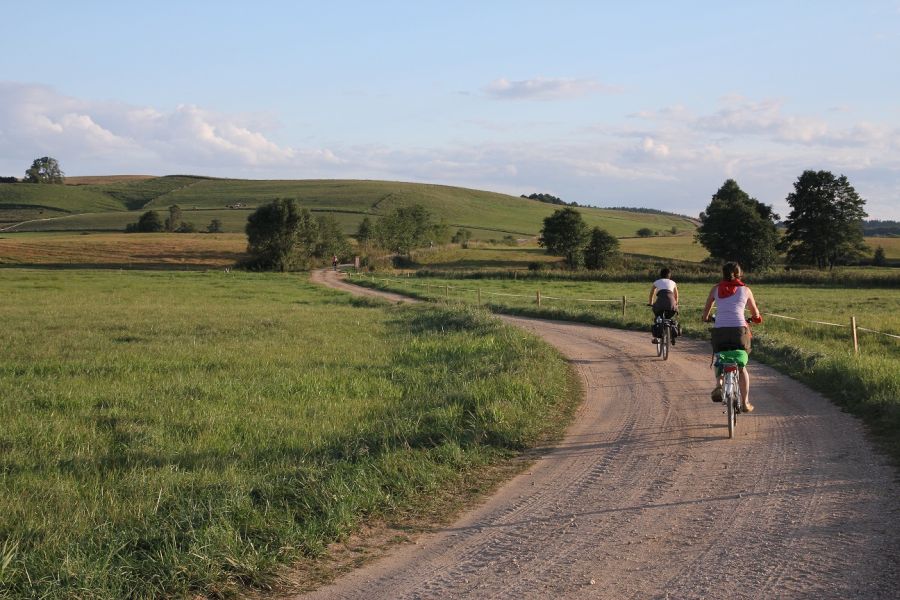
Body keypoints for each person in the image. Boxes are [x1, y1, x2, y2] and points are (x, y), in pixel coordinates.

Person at [701, 261, 763, 412]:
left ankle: (719, 385)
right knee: (741, 367)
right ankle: (745, 402)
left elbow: (706, 312)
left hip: (720, 332)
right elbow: (755, 314)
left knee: (720, 359)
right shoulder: (746, 290)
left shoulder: (715, 289)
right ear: (739, 274)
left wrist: (706, 318)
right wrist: (756, 319)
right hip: (739, 332)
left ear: (723, 274)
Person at [649, 267, 679, 344]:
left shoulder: (656, 282)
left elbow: (652, 293)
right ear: (670, 275)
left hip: (660, 305)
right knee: (669, 319)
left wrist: (651, 303)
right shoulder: (673, 283)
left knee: (657, 318)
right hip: (671, 306)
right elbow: (676, 295)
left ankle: (656, 337)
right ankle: (672, 335)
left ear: (660, 275)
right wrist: (676, 304)